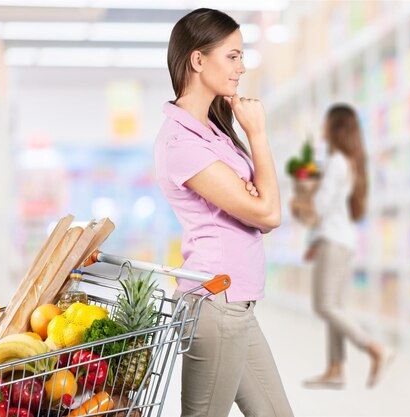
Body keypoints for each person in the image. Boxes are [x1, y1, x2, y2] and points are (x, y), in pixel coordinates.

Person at [153, 8, 293, 417]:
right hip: (215, 305)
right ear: (198, 60)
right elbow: (268, 214)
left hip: (237, 305)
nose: (241, 68)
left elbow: (260, 214)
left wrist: (254, 203)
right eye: (232, 56)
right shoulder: (182, 142)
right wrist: (259, 134)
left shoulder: (212, 131)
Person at [291, 104, 395, 389]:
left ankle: (374, 348)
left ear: (336, 128)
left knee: (323, 305)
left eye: (326, 123)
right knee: (333, 305)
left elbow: (321, 206)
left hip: (334, 241)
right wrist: (315, 241)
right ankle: (335, 369)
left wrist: (299, 202)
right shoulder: (350, 161)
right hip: (340, 240)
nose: (322, 128)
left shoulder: (337, 162)